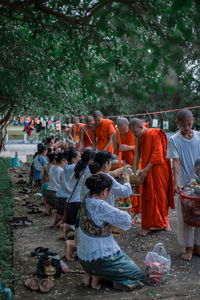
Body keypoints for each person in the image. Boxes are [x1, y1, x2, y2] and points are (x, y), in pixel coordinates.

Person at [77, 173, 145, 290]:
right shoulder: (99, 205)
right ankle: (99, 275)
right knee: (138, 275)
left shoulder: (87, 198)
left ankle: (91, 274)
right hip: (99, 259)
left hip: (84, 258)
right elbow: (126, 219)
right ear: (105, 191)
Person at [65, 150, 133, 261]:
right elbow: (125, 192)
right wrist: (126, 177)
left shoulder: (89, 172)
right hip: (97, 214)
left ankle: (75, 246)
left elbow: (114, 174)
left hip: (84, 211)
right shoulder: (105, 178)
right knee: (100, 238)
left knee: (90, 235)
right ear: (106, 164)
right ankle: (74, 246)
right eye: (110, 163)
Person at [129, 118, 175, 236]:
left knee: (161, 196)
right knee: (148, 197)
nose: (135, 135)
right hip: (146, 169)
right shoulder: (139, 137)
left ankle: (165, 222)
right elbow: (137, 155)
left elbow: (158, 154)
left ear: (140, 127)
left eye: (135, 132)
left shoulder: (154, 133)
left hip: (158, 168)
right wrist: (134, 172)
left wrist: (146, 169)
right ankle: (148, 225)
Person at [167, 109, 200, 261]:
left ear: (193, 121)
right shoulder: (174, 139)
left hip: (198, 181)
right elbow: (176, 162)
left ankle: (198, 245)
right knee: (186, 215)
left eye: (189, 124)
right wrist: (176, 182)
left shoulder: (199, 136)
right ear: (177, 123)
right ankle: (188, 247)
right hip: (184, 182)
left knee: (199, 213)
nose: (187, 129)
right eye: (183, 125)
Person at [60, 149, 95, 239]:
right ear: (90, 160)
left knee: (80, 226)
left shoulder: (77, 169)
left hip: (70, 202)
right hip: (78, 204)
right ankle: (71, 242)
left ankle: (67, 226)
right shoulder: (88, 171)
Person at [113, 117, 142, 221]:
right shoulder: (116, 134)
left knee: (135, 187)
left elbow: (140, 147)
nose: (122, 132)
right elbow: (115, 151)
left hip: (135, 162)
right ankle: (125, 210)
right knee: (124, 185)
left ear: (128, 126)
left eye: (124, 130)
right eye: (120, 130)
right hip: (123, 163)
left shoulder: (134, 132)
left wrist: (129, 147)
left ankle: (136, 213)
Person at [53, 148, 81, 227]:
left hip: (59, 197)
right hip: (66, 200)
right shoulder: (74, 167)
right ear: (73, 159)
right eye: (79, 156)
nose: (80, 159)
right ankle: (65, 224)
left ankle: (59, 217)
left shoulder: (66, 166)